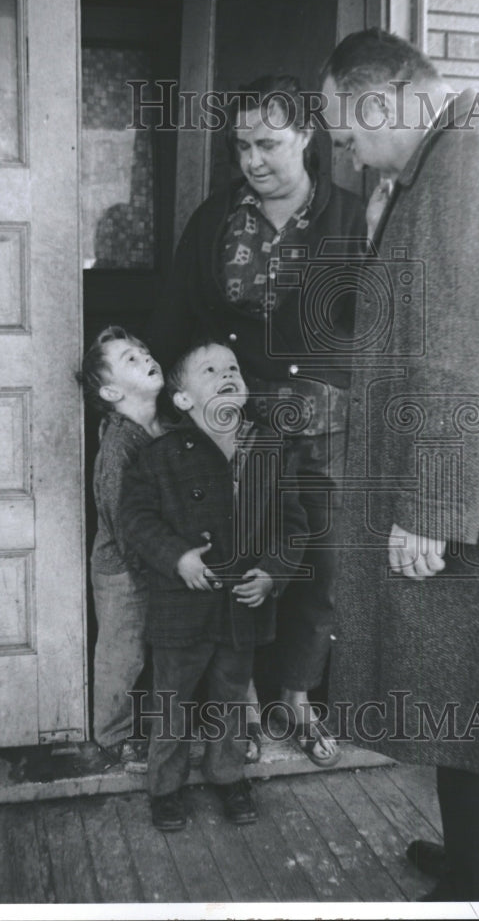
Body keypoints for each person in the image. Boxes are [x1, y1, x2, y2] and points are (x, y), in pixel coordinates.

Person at [320, 29, 479, 901]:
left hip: (471, 502)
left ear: (379, 100)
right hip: (468, 493)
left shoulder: (472, 166)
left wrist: (431, 505)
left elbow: (470, 356)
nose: (346, 152)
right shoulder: (450, 160)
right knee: (463, 691)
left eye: (346, 133)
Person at [147, 74, 366, 767]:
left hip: (321, 424)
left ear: (307, 135)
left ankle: (296, 694)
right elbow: (176, 317)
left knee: (317, 562)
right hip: (229, 427)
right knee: (233, 557)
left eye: (268, 143)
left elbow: (382, 330)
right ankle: (232, 704)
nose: (252, 159)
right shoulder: (214, 219)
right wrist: (161, 411)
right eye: (241, 144)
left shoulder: (354, 219)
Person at [120, 342, 308, 831]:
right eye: (209, 370)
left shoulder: (268, 449)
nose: (226, 374)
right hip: (182, 607)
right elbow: (135, 519)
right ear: (182, 400)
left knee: (229, 697)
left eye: (233, 368)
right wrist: (177, 557)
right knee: (173, 698)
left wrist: (272, 573)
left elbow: (292, 526)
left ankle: (228, 775)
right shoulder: (160, 456)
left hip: (241, 608)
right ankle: (165, 786)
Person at [77, 325, 165, 765]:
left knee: (159, 644)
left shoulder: (165, 426)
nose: (146, 357)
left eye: (144, 350)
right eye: (130, 359)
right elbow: (119, 516)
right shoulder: (118, 445)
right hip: (123, 569)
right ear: (111, 392)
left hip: (156, 559)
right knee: (122, 651)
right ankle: (113, 733)